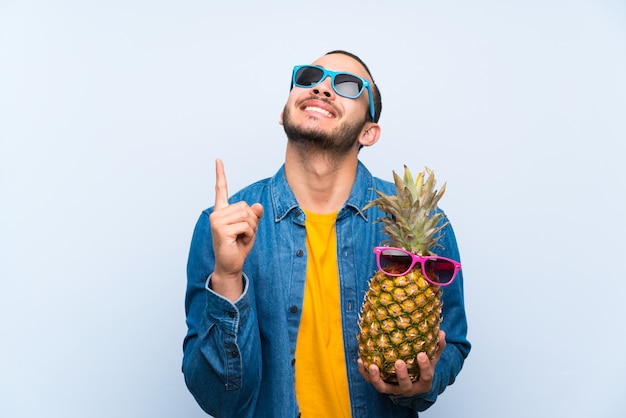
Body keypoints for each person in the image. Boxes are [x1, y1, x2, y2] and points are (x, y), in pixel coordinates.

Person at [182, 50, 470, 418]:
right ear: (284, 112)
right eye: (307, 77)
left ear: (369, 131)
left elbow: (452, 343)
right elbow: (218, 399)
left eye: (347, 85)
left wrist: (422, 383)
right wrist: (226, 278)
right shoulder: (223, 226)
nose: (321, 87)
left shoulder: (423, 224)